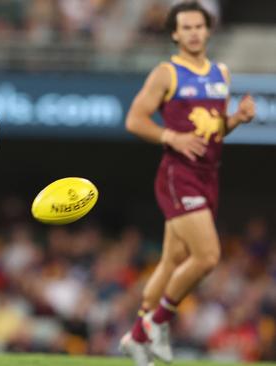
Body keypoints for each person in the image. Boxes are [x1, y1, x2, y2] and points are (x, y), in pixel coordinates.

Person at [118, 2, 255, 365]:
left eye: (199, 26)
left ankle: (136, 339)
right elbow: (134, 120)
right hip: (179, 175)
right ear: (175, 34)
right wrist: (171, 137)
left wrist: (237, 119)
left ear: (208, 31)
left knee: (171, 260)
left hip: (209, 173)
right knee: (207, 256)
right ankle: (153, 325)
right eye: (187, 27)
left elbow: (214, 128)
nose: (194, 32)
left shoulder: (220, 73)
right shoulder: (167, 73)